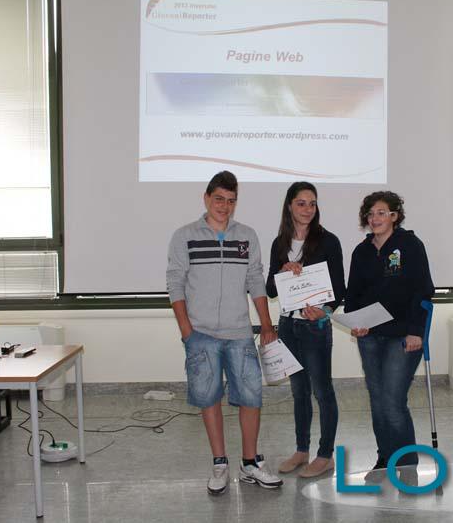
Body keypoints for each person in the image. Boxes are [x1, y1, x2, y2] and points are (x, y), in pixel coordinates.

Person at [166, 171, 283, 494]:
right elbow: (175, 283)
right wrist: (187, 331)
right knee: (209, 398)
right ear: (206, 198)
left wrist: (266, 324)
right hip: (200, 333)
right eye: (219, 199)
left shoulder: (246, 236)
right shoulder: (184, 236)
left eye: (231, 201)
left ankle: (250, 463)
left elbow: (255, 280)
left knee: (251, 397)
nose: (224, 206)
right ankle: (220, 463)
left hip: (239, 332)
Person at [344, 191, 434, 477]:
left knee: (393, 401)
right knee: (377, 400)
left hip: (403, 335)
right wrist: (354, 322)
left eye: (381, 213)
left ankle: (406, 465)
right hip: (369, 336)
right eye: (370, 214)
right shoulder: (361, 251)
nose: (375, 218)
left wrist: (416, 332)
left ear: (394, 216)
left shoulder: (410, 245)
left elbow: (423, 290)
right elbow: (353, 295)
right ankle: (385, 458)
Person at [266, 182, 345, 478]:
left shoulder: (328, 241)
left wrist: (325, 311)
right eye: (301, 203)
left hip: (315, 326)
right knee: (299, 392)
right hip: (288, 325)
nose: (308, 209)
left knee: (322, 391)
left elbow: (339, 288)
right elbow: (270, 289)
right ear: (289, 205)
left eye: (312, 203)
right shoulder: (279, 243)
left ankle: (325, 455)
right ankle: (301, 450)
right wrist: (282, 270)